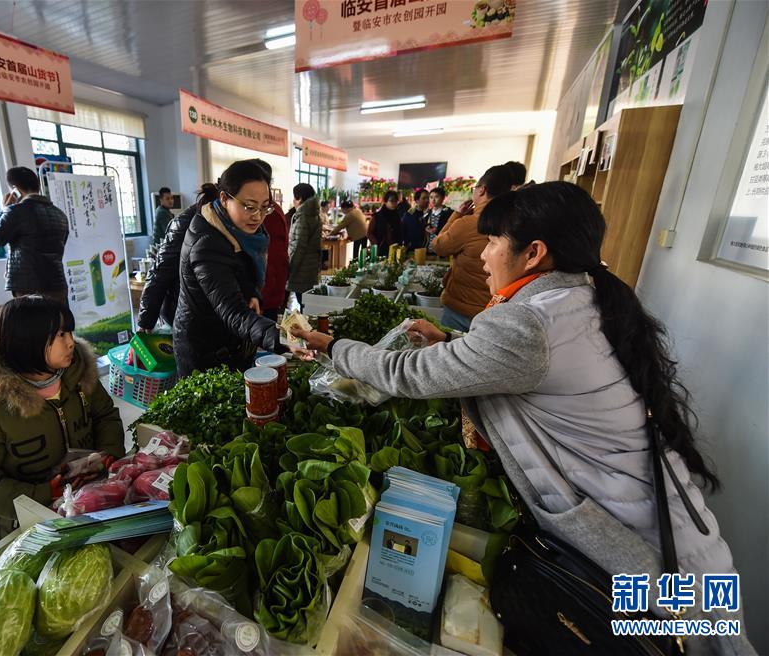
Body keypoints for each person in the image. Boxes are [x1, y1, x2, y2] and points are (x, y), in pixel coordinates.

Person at [292, 182, 752, 655]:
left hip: (648, 554)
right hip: (672, 535)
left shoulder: (530, 323)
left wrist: (329, 346)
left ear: (533, 253)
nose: (484, 256)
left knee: (690, 647)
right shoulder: (578, 298)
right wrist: (452, 345)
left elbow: (405, 373)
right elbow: (528, 369)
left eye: (493, 243)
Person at [0, 296, 125, 540]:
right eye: (60, 335)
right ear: (28, 342)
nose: (71, 343)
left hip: (90, 501)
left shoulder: (80, 377)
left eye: (70, 333)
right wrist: (43, 494)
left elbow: (105, 416)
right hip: (29, 525)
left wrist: (110, 455)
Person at [173, 160, 285, 376]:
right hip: (205, 351)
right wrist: (282, 338)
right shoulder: (206, 243)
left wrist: (250, 293)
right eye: (250, 207)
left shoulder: (239, 231)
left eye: (264, 207)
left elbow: (238, 270)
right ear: (224, 198)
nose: (258, 216)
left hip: (231, 343)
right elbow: (233, 312)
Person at [432, 165, 512, 331]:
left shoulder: (469, 223)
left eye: (474, 189)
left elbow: (438, 246)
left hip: (461, 307)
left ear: (482, 190)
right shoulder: (512, 221)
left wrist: (457, 215)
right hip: (495, 307)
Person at [0, 166, 69, 304]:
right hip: (57, 283)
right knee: (58, 324)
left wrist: (5, 209)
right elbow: (62, 244)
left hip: (28, 286)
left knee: (33, 325)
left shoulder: (15, 211)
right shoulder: (60, 214)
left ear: (15, 189)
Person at [137, 200, 199, 331]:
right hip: (182, 314)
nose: (171, 200)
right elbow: (159, 273)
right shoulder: (183, 222)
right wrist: (146, 321)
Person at [287, 183, 322, 306]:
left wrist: (290, 267)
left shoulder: (302, 216)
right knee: (307, 302)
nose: (293, 201)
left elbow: (298, 246)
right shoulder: (314, 213)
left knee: (303, 302)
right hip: (310, 265)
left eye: (294, 198)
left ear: (300, 198)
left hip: (301, 267)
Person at [262, 199, 290, 323]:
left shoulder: (270, 213)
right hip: (272, 286)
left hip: (268, 289)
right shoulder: (274, 209)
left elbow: (274, 257)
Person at [369, 190, 403, 258]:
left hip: (395, 249)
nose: (394, 203)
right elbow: (369, 232)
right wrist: (375, 244)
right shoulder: (378, 216)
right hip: (381, 249)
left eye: (396, 201)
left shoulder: (397, 215)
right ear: (385, 202)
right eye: (391, 201)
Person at [425, 186, 454, 254]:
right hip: (428, 249)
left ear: (443, 198)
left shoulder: (448, 213)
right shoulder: (427, 213)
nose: (433, 200)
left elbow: (452, 229)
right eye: (431, 197)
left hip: (442, 248)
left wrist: (437, 230)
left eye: (436, 197)